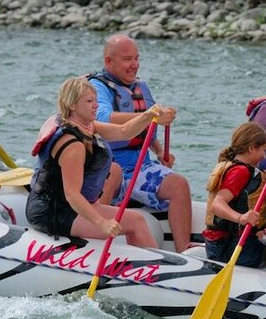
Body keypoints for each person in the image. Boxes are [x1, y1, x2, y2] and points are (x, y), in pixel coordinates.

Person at [26, 77, 160, 247]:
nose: (96, 105)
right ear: (72, 105)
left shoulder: (87, 126)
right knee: (135, 222)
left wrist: (147, 116)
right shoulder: (72, 144)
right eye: (89, 101)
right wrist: (101, 223)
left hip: (70, 206)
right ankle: (153, 270)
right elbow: (72, 194)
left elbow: (123, 131)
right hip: (54, 211)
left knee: (136, 220)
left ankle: (148, 265)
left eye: (96, 100)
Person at [89, 34, 192, 252]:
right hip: (108, 167)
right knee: (111, 176)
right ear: (109, 61)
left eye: (137, 58)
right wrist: (151, 115)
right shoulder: (96, 88)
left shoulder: (140, 87)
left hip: (141, 167)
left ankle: (185, 253)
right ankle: (94, 246)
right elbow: (103, 118)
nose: (134, 65)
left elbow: (147, 129)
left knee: (179, 185)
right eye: (128, 59)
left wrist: (160, 150)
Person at [203, 122, 266, 268]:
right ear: (252, 148)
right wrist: (241, 218)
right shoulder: (240, 172)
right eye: (263, 150)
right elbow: (217, 204)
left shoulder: (241, 168)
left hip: (227, 242)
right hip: (229, 247)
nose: (265, 156)